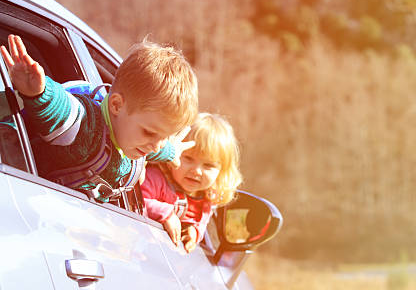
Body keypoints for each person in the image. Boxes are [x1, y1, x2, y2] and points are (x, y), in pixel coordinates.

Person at [0, 34, 198, 202]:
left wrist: (172, 151)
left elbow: (158, 150)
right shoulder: (87, 127)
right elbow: (64, 109)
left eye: (163, 137)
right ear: (116, 105)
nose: (155, 145)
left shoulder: (137, 137)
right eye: (149, 133)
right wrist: (39, 92)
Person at [141, 112, 242, 253]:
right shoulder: (156, 178)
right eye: (188, 158)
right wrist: (166, 214)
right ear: (174, 152)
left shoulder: (207, 198)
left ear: (222, 171)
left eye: (208, 165)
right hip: (140, 250)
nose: (197, 171)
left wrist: (194, 232)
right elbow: (138, 200)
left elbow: (201, 222)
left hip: (167, 258)